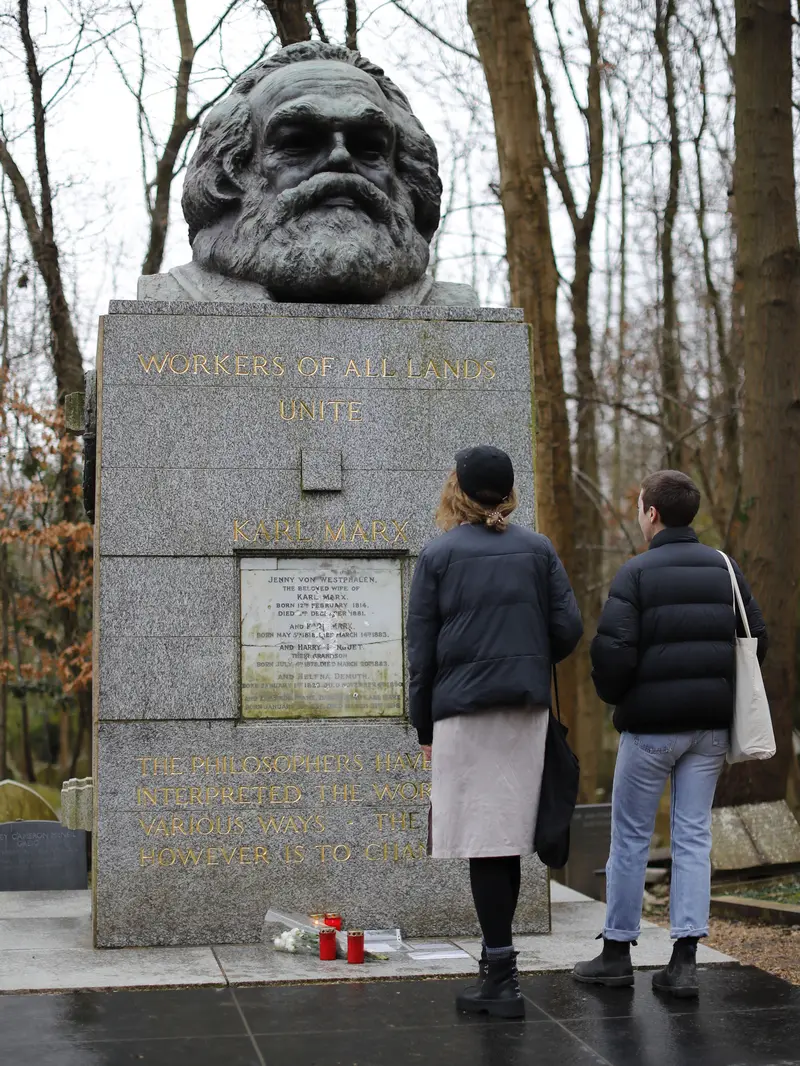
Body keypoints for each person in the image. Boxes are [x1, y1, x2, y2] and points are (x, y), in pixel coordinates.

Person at [573, 470, 767, 998]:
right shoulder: (726, 568)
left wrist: (623, 698)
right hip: (709, 730)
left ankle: (617, 952)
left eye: (639, 507)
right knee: (692, 837)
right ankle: (684, 963)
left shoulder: (634, 574)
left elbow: (612, 655)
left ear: (652, 514)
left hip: (651, 730)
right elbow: (756, 638)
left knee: (631, 837)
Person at [407, 445, 583, 1018]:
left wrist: (422, 722)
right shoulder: (537, 550)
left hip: (463, 711)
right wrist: (526, 655)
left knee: (486, 842)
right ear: (507, 493)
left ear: (457, 490)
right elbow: (568, 628)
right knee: (504, 838)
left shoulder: (438, 555)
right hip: (524, 708)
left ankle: (500, 976)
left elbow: (421, 651)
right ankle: (499, 969)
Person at [138, 41, 478, 307]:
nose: (340, 158)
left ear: (404, 172)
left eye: (370, 147)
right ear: (232, 172)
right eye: (298, 143)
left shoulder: (455, 311)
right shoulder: (173, 298)